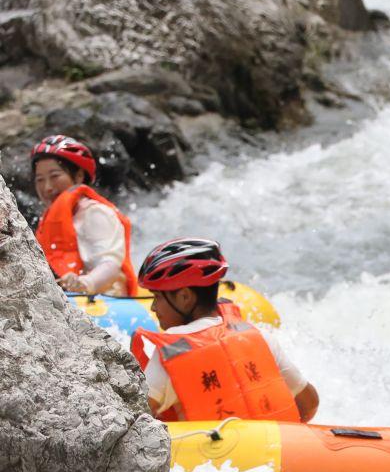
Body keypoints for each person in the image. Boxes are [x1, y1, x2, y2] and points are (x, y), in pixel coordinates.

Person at [131, 238, 319, 423]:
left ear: (185, 297)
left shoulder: (171, 354)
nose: (154, 308)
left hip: (210, 453)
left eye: (157, 297)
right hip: (276, 450)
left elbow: (133, 423)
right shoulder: (260, 337)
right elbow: (309, 404)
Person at [30, 135, 139, 296]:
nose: (47, 187)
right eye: (40, 179)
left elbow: (110, 265)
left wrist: (84, 283)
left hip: (106, 301)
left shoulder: (95, 213)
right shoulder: (48, 220)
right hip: (73, 299)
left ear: (79, 175)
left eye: (55, 176)